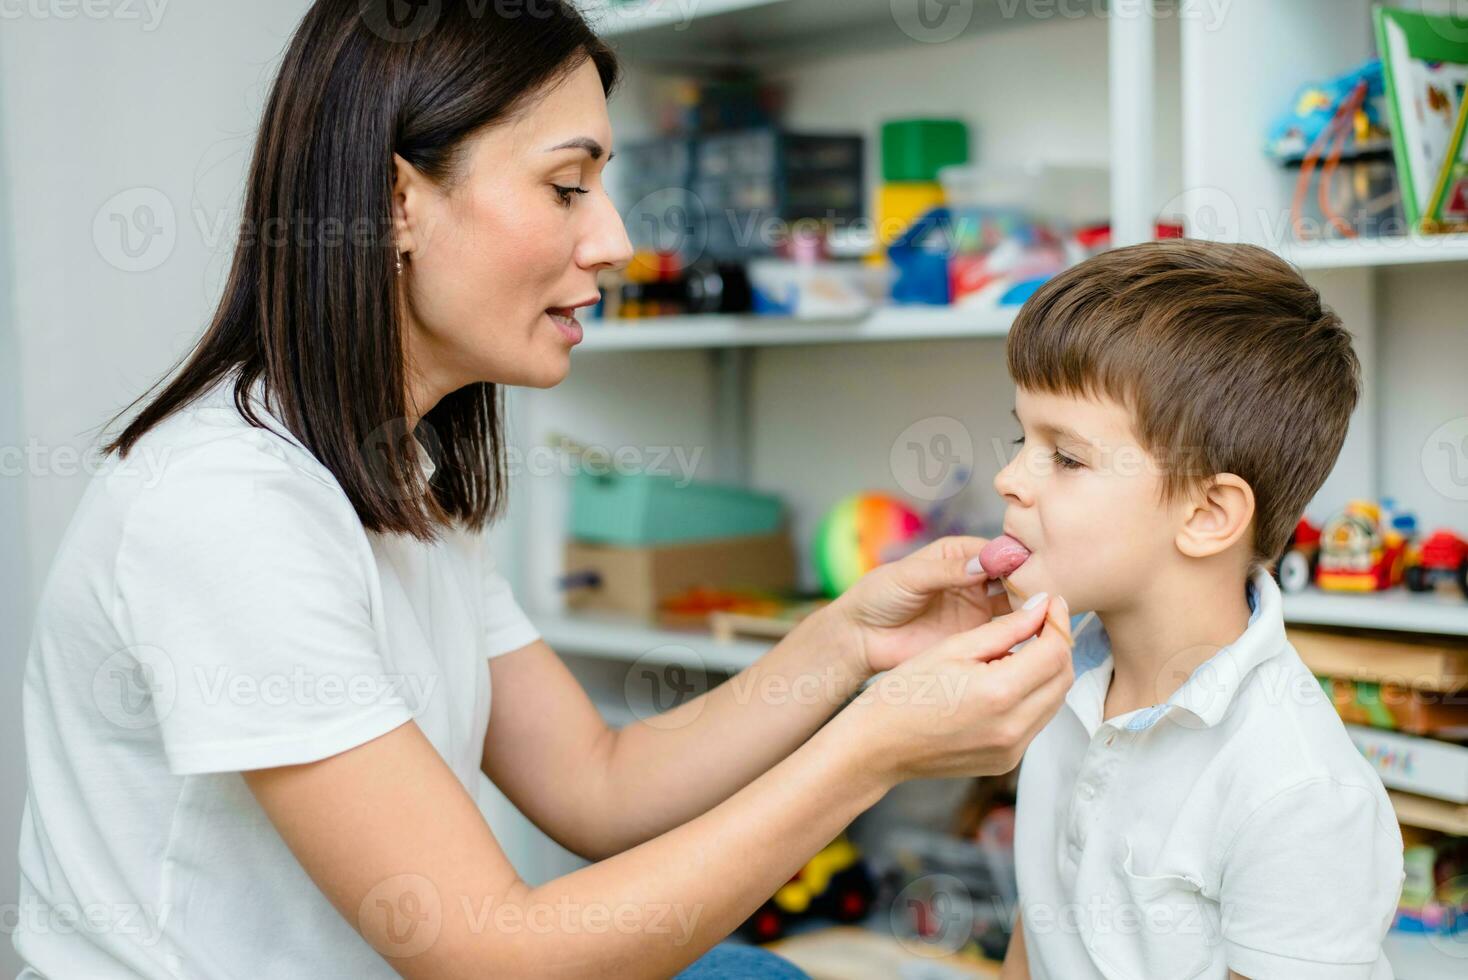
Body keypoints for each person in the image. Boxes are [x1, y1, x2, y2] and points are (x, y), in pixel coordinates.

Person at [13, 3, 1076, 977]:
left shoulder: (393, 478)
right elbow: (490, 957)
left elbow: (599, 780)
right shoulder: (229, 507)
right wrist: (876, 746)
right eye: (567, 186)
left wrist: (850, 640)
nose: (614, 239)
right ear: (395, 203)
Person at [992, 241, 1405, 979]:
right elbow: (1044, 923)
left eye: (1067, 456)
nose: (1008, 478)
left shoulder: (1299, 789)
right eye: (1024, 438)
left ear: (1209, 513)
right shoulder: (1058, 679)